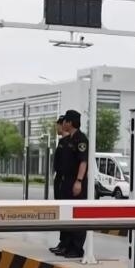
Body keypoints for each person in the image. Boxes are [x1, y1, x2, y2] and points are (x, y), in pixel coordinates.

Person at [56, 109, 89, 259]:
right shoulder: (68, 139)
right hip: (66, 181)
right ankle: (67, 245)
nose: (63, 123)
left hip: (76, 182)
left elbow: (83, 161)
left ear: (70, 122)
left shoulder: (81, 139)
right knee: (67, 214)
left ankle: (77, 248)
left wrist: (79, 181)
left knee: (77, 214)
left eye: (65, 121)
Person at [49, 115, 68, 255]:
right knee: (61, 212)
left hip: (64, 180)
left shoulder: (68, 142)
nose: (57, 127)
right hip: (59, 179)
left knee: (65, 212)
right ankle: (62, 242)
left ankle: (66, 243)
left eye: (58, 125)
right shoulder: (62, 142)